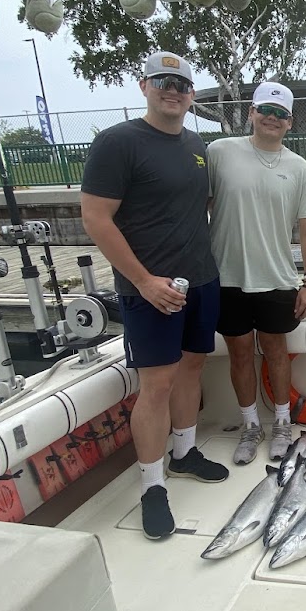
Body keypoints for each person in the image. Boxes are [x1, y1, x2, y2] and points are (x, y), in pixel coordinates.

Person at [81, 51, 227, 542]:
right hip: (149, 288)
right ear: (144, 85)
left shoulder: (196, 144)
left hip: (200, 280)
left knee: (192, 368)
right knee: (156, 386)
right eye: (163, 81)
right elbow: (96, 219)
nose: (174, 90)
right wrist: (144, 281)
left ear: (191, 95)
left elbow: (199, 205)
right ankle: (152, 484)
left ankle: (184, 452)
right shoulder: (118, 142)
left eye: (182, 84)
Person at [207, 81, 306, 465]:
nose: (273, 118)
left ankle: (282, 424)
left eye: (281, 114)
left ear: (290, 123)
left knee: (276, 351)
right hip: (227, 278)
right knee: (239, 354)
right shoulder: (219, 152)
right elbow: (195, 209)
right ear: (251, 113)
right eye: (266, 111)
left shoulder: (300, 168)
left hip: (277, 278)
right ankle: (250, 426)